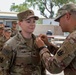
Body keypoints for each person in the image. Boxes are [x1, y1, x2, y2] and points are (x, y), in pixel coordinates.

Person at [0, 9, 46, 75]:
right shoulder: (10, 45)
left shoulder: (39, 43)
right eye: (28, 21)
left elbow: (42, 68)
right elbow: (3, 70)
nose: (32, 24)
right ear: (20, 23)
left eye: (34, 21)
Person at [36, 3, 76, 75]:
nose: (59, 24)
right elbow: (65, 55)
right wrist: (48, 44)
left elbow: (54, 67)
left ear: (67, 16)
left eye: (59, 20)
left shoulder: (73, 38)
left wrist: (42, 48)